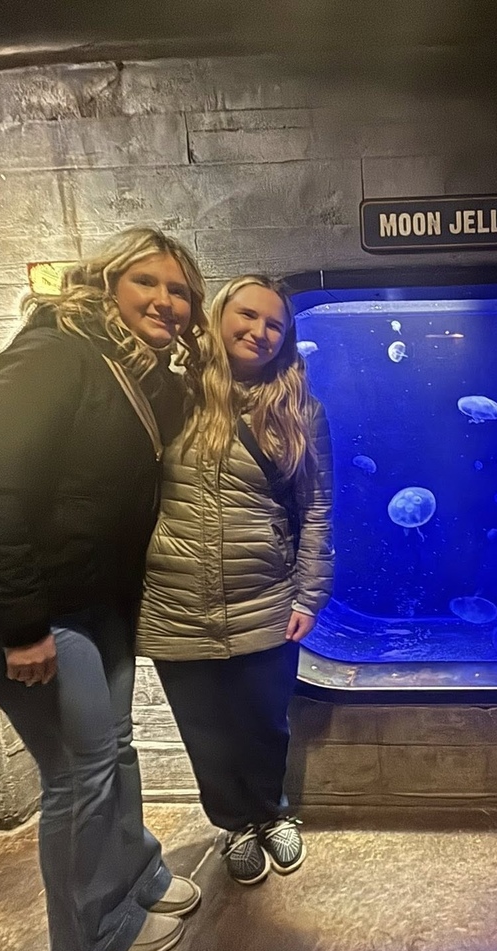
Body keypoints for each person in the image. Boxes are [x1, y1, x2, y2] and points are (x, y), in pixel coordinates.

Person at [0, 227, 208, 951]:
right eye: (149, 284)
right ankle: (89, 940)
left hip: (95, 607)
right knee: (77, 774)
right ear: (104, 283)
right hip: (34, 615)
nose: (167, 301)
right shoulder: (50, 356)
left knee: (114, 754)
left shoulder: (131, 373)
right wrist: (23, 626)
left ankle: (137, 878)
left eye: (181, 292)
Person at [137, 274, 334, 885]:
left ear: (287, 338)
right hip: (175, 599)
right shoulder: (170, 396)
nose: (260, 332)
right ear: (220, 316)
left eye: (274, 325)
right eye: (247, 316)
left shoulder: (299, 408)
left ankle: (273, 813)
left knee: (264, 721)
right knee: (203, 729)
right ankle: (233, 824)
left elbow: (318, 507)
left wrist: (310, 592)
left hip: (266, 596)